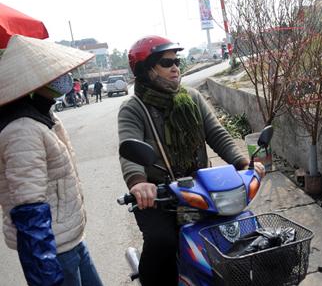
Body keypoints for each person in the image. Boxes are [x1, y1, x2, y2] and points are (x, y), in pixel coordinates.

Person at [117, 35, 265, 285]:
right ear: (146, 69)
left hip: (199, 189)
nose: (175, 67)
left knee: (235, 232)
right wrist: (139, 183)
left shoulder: (192, 98)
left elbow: (217, 134)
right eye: (166, 62)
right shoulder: (134, 108)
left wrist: (243, 164)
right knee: (162, 241)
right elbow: (129, 149)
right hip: (159, 197)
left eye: (177, 61)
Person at [0, 35, 104, 286]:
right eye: (57, 73)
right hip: (55, 249)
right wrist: (45, 270)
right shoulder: (21, 130)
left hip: (71, 240)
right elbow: (29, 207)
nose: (66, 77)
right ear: (36, 81)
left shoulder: (42, 114)